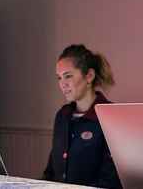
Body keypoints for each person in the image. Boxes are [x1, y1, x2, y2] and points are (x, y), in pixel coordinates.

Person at [43, 44, 122, 188]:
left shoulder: (110, 117)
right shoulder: (62, 116)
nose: (63, 84)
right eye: (59, 78)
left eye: (68, 76)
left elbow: (111, 180)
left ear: (89, 76)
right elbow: (51, 171)